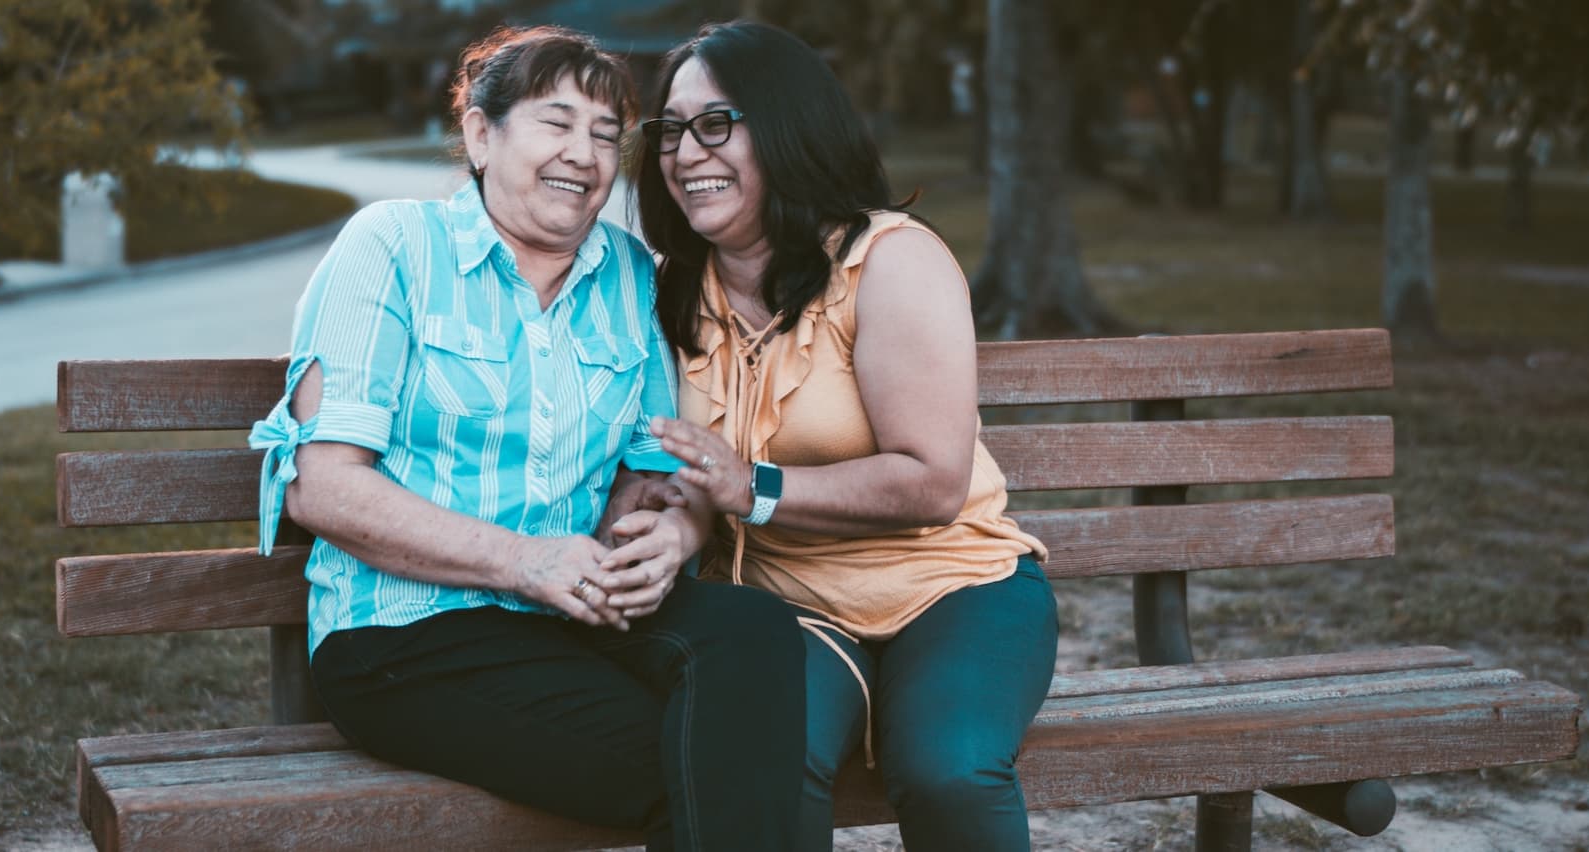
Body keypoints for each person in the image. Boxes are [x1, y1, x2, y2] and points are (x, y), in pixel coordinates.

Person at [247, 26, 805, 851]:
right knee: (701, 761)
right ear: (481, 134)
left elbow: (652, 471)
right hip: (407, 633)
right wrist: (525, 560)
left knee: (753, 634)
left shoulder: (631, 274)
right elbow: (323, 486)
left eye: (606, 134)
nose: (583, 153)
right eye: (557, 122)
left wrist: (662, 532)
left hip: (570, 610)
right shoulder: (394, 247)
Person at [632, 21, 1060, 851]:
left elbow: (933, 481)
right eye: (670, 131)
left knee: (951, 769)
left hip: (952, 589)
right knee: (757, 762)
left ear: (789, 125)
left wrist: (751, 487)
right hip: (783, 607)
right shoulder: (671, 293)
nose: (686, 153)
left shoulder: (890, 261)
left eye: (716, 123)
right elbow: (682, 471)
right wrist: (659, 518)